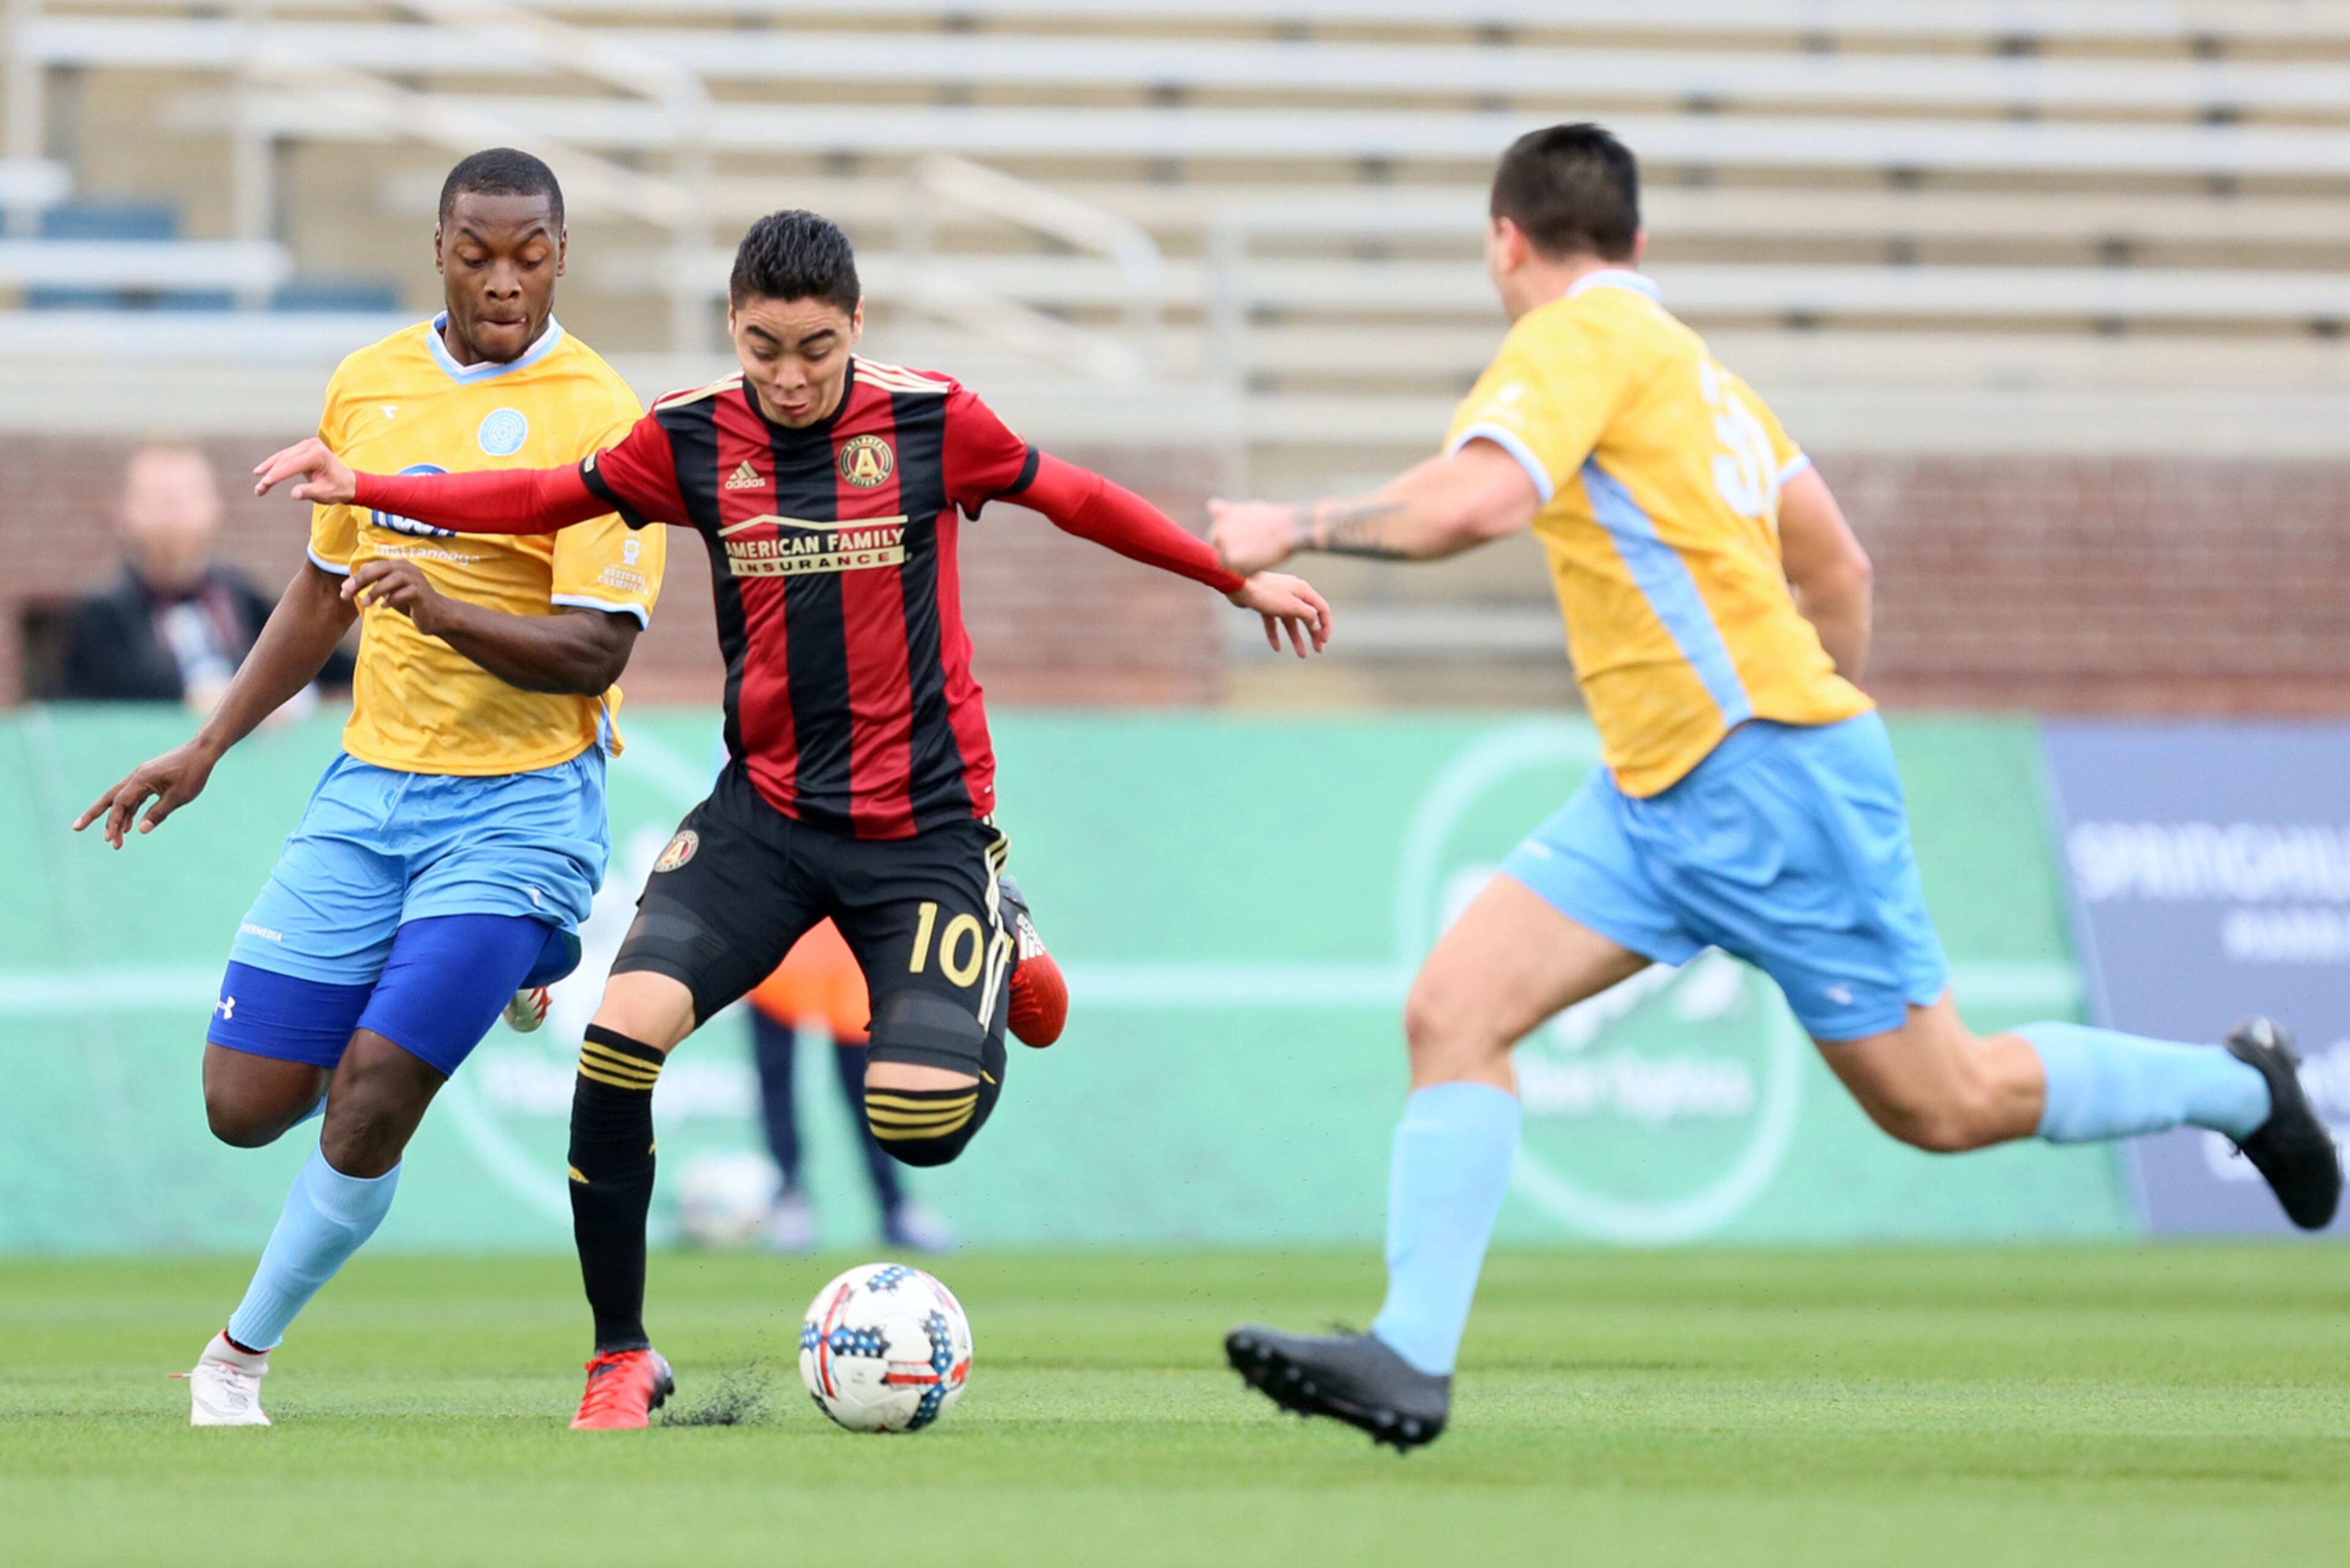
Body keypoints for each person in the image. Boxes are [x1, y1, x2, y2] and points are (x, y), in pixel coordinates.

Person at [1206, 122, 2343, 1450]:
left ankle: (2245, 1088)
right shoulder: (1703, 378)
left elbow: (1476, 507)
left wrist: (1292, 524)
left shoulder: (1573, 342)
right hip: (1658, 797)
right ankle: (1409, 1359)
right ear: (1639, 241)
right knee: (1454, 1007)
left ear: (1505, 240)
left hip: (1762, 779)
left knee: (1946, 1101)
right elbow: (1841, 568)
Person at [253, 207, 1329, 1430]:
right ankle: (620, 1358)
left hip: (921, 827)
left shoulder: (931, 419)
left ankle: (999, 920)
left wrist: (1229, 576)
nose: (791, 376)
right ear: (733, 327)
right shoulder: (692, 435)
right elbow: (546, 498)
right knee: (618, 1043)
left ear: (857, 328)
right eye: (765, 347)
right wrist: (373, 486)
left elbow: (1075, 498)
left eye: (816, 348)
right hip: (763, 818)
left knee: (919, 1127)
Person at [74, 149, 667, 1428]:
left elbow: (599, 648)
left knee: (371, 1097)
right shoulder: (373, 384)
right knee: (244, 1108)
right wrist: (211, 743)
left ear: (561, 255)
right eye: (476, 252)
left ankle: (236, 1358)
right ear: (440, 250)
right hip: (370, 789)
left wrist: (441, 606)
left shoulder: (605, 416)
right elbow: (320, 587)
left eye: (529, 254)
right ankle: (496, 962)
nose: (503, 280)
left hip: (521, 800)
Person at [750, 875, 1057, 1254]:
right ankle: (789, 1197)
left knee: (867, 1084)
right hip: (781, 931)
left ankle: (895, 1206)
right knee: (776, 1076)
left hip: (850, 945)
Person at [58, 444, 354, 708]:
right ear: (123, 512)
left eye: (187, 494)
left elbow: (312, 655)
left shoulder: (239, 595)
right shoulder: (104, 614)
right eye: (156, 496)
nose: (174, 508)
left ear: (215, 506)